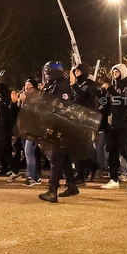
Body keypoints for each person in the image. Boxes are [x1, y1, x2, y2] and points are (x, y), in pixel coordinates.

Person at [38, 62, 79, 203]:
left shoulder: (61, 85)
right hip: (59, 125)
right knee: (64, 158)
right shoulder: (54, 84)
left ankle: (52, 190)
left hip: (62, 126)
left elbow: (64, 106)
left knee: (56, 157)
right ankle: (72, 184)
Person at [100, 64, 127, 190]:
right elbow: (108, 102)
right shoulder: (114, 85)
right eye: (113, 71)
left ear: (122, 71)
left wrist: (111, 90)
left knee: (124, 149)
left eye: (116, 71)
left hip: (124, 122)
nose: (114, 74)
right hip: (112, 122)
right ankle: (113, 179)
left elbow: (126, 100)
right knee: (112, 150)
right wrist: (102, 94)